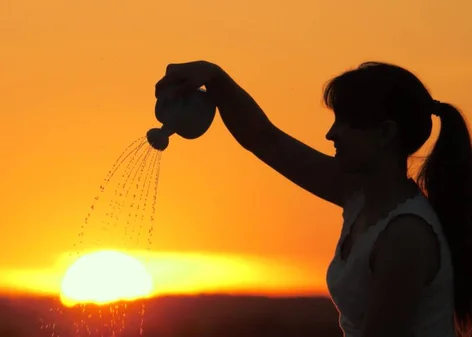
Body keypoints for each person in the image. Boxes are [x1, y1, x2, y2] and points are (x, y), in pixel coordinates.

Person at [155, 61, 472, 337]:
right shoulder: (359, 196)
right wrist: (214, 77)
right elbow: (263, 138)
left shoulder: (405, 236)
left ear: (385, 135)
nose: (331, 134)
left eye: (344, 123)